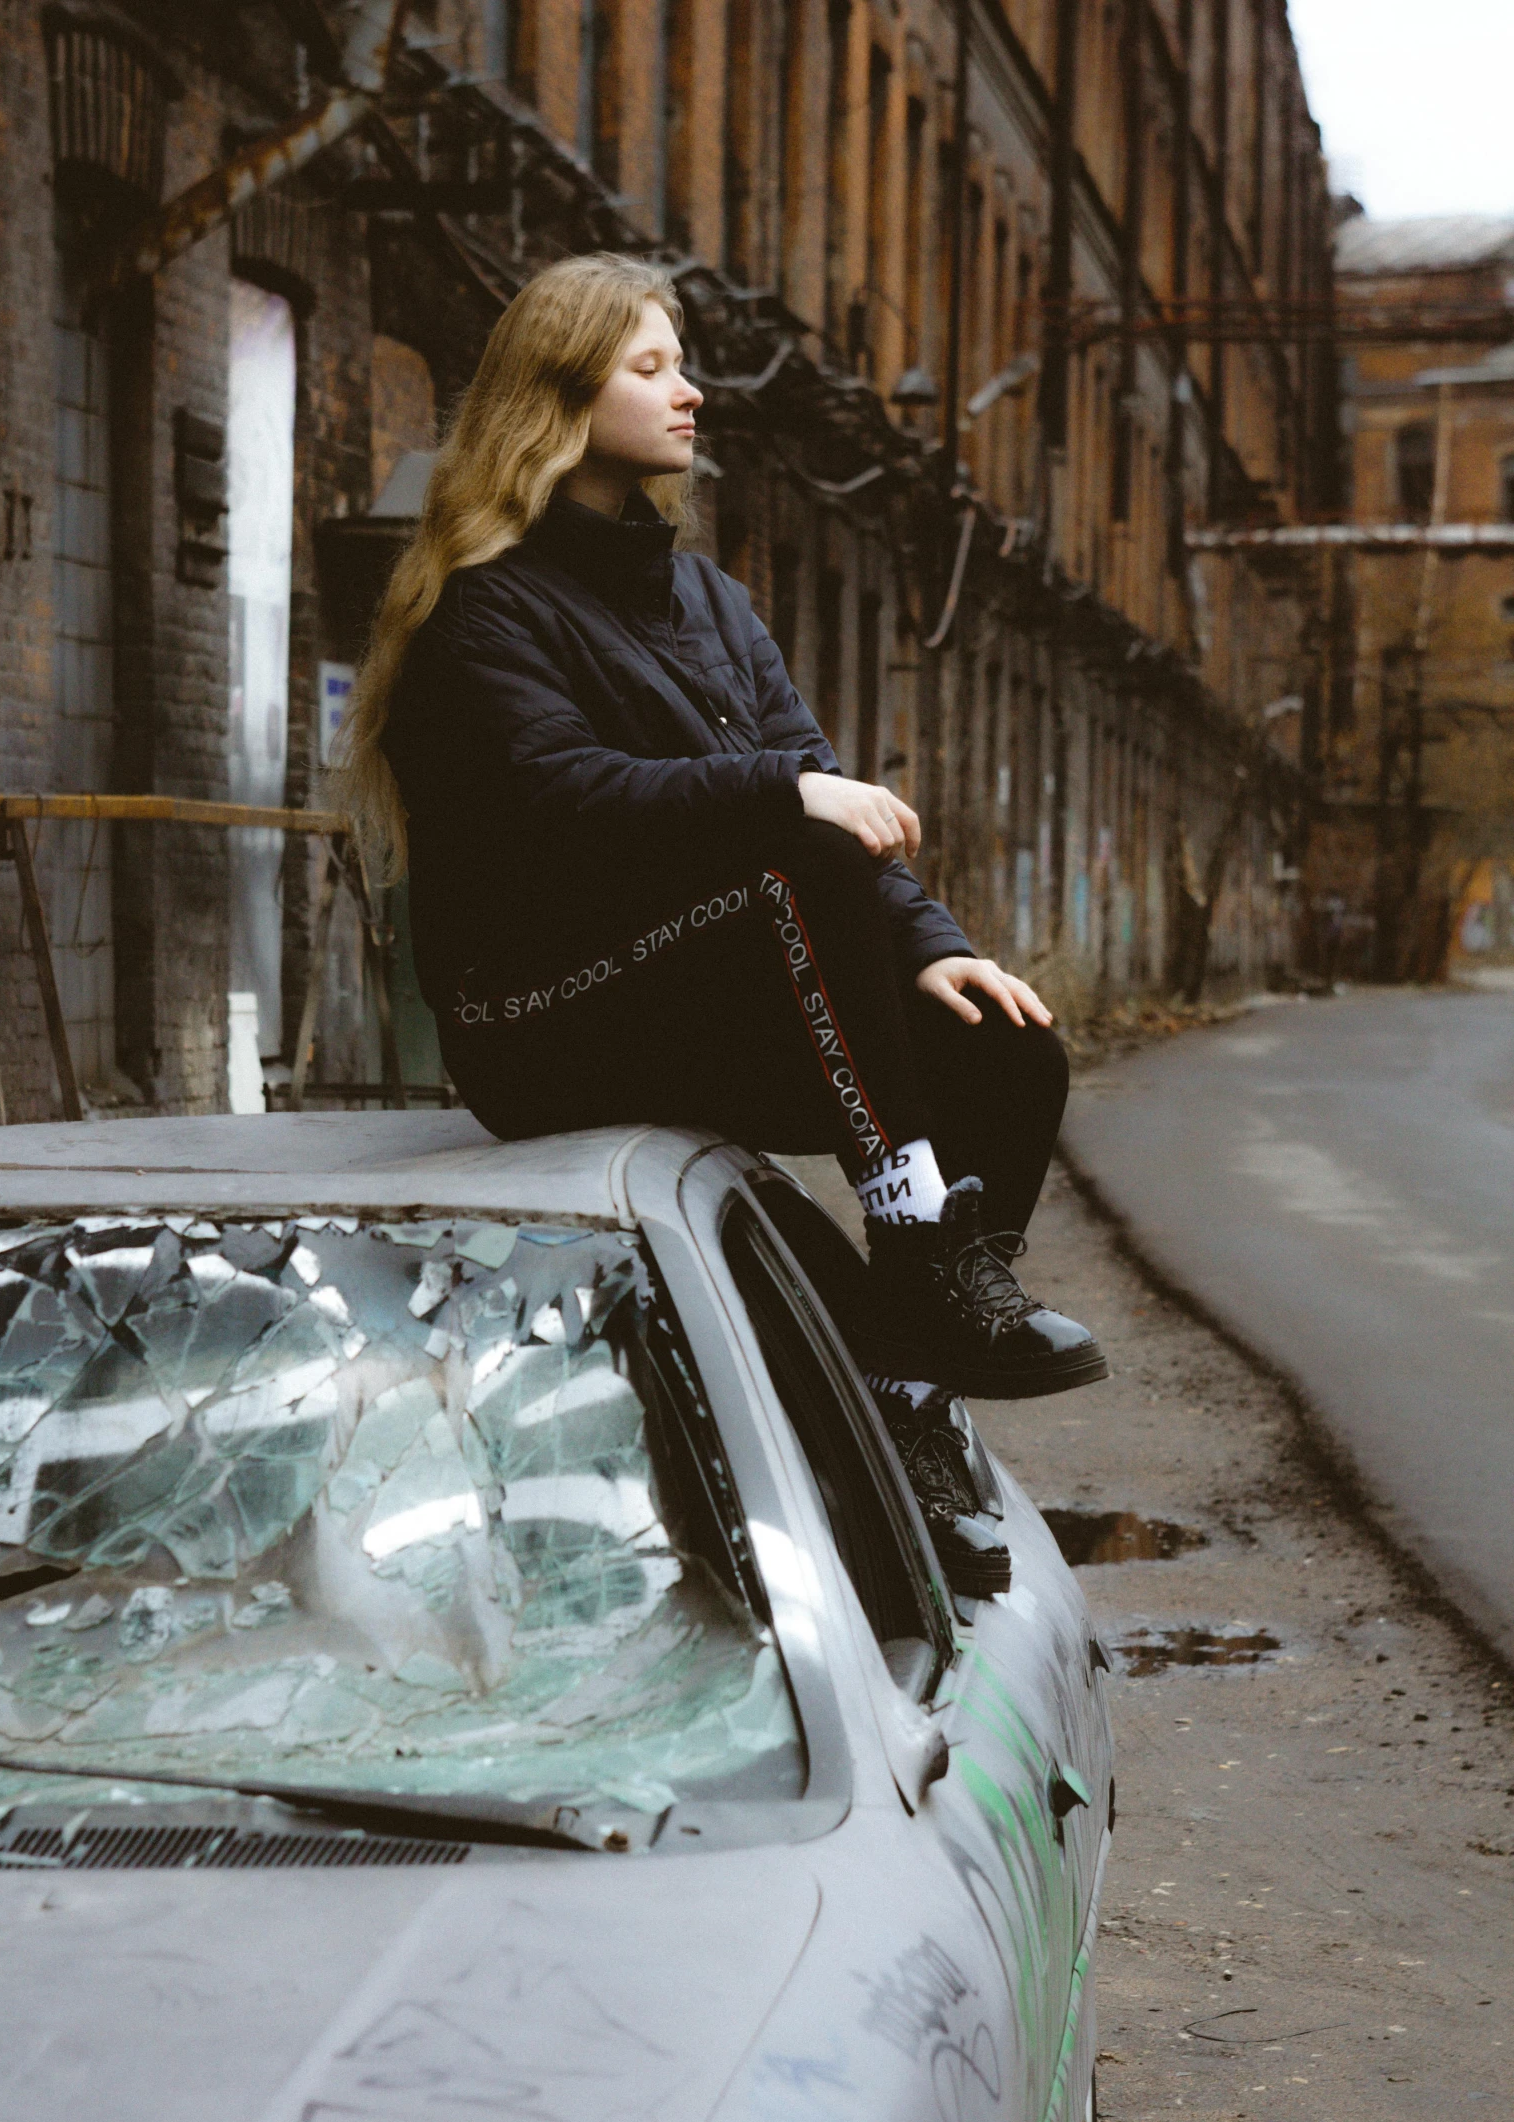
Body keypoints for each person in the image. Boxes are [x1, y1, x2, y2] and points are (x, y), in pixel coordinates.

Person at [336, 253, 1104, 1404]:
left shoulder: (706, 599)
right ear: (559, 398)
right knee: (794, 833)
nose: (689, 392)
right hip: (539, 1016)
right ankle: (917, 1238)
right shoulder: (482, 603)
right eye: (650, 367)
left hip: (694, 991)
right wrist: (779, 797)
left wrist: (932, 944)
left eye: (682, 366)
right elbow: (562, 797)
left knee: (1006, 1043)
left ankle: (910, 1375)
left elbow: (820, 801)